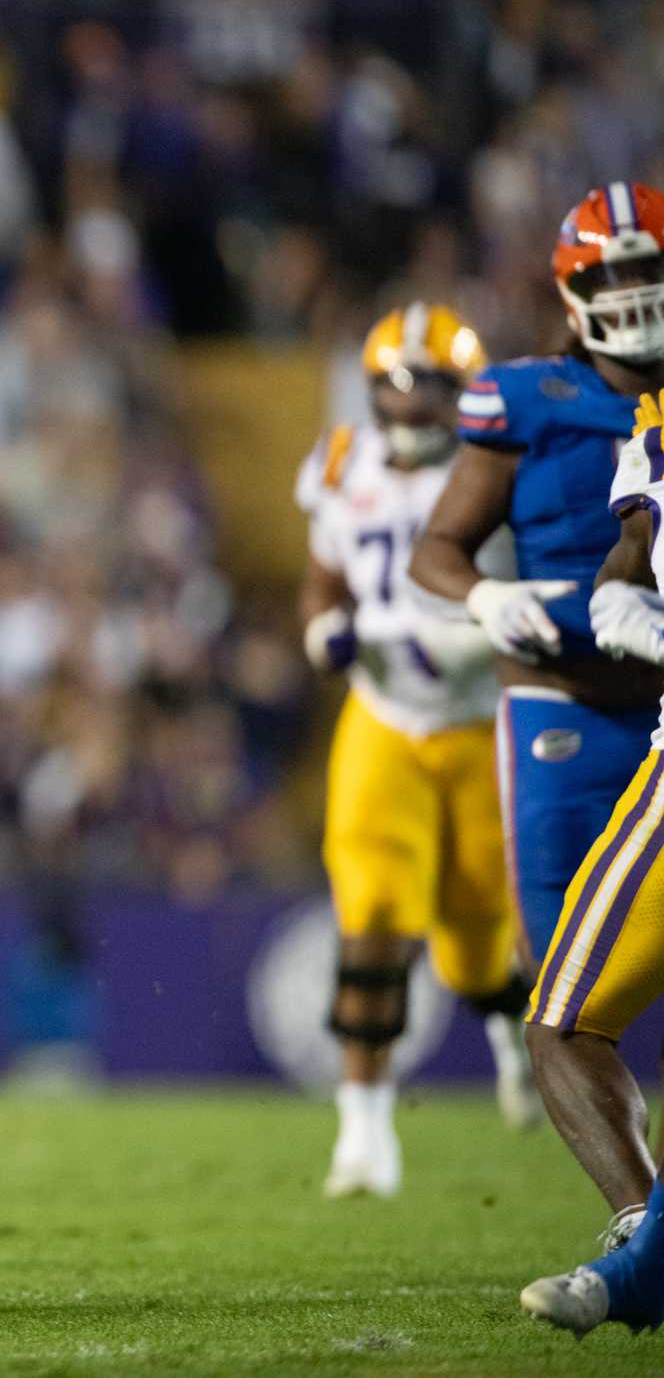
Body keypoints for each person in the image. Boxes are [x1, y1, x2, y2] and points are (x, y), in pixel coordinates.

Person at [412, 183, 664, 1248]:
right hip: (557, 708)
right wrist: (481, 595)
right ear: (572, 293)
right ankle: (637, 1219)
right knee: (561, 976)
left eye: (646, 269)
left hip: (659, 711)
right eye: (612, 275)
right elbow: (437, 548)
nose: (634, 294)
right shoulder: (525, 398)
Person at [297, 303, 538, 1199]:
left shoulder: (505, 467)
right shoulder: (338, 462)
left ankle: (510, 1033)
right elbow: (323, 574)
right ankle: (364, 1130)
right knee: (372, 915)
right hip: (383, 716)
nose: (408, 406)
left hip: (478, 716)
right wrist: (324, 625)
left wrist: (471, 641)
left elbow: (536, 599)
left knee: (477, 941)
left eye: (430, 387)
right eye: (394, 386)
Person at [521, 390, 664, 1336]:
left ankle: (648, 1266)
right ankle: (645, 1237)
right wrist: (622, 600)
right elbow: (629, 561)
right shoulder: (653, 427)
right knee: (562, 1022)